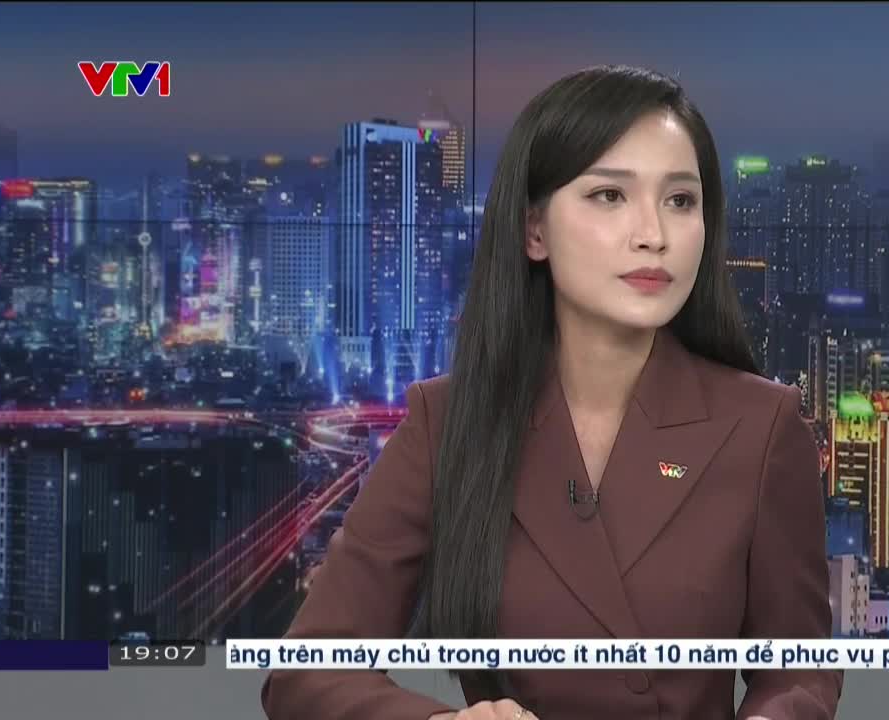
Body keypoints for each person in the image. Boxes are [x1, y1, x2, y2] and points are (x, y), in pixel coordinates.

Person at [262, 64, 843, 720]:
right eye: (609, 196)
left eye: (681, 200)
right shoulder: (445, 423)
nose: (654, 233)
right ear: (533, 229)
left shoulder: (762, 426)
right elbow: (305, 674)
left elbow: (800, 676)